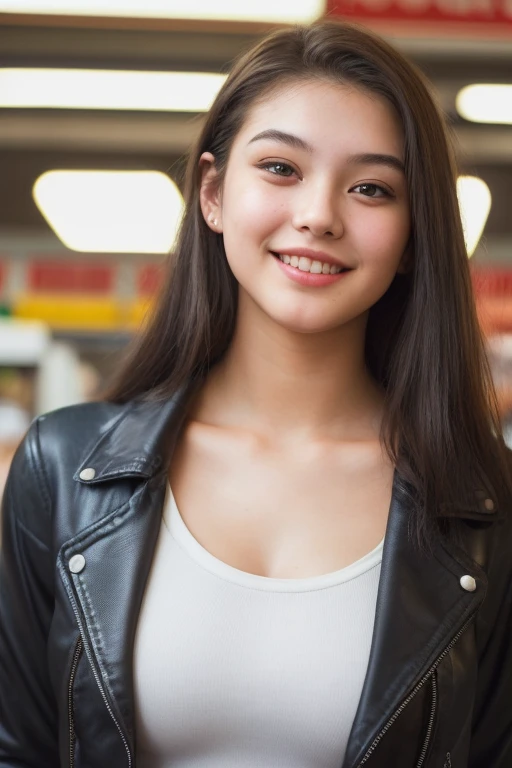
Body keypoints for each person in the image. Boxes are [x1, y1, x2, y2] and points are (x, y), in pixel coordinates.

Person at [1, 20, 511, 768]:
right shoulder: (65, 468)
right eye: (280, 168)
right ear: (212, 193)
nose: (318, 215)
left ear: (412, 235)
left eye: (372, 187)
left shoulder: (484, 500)